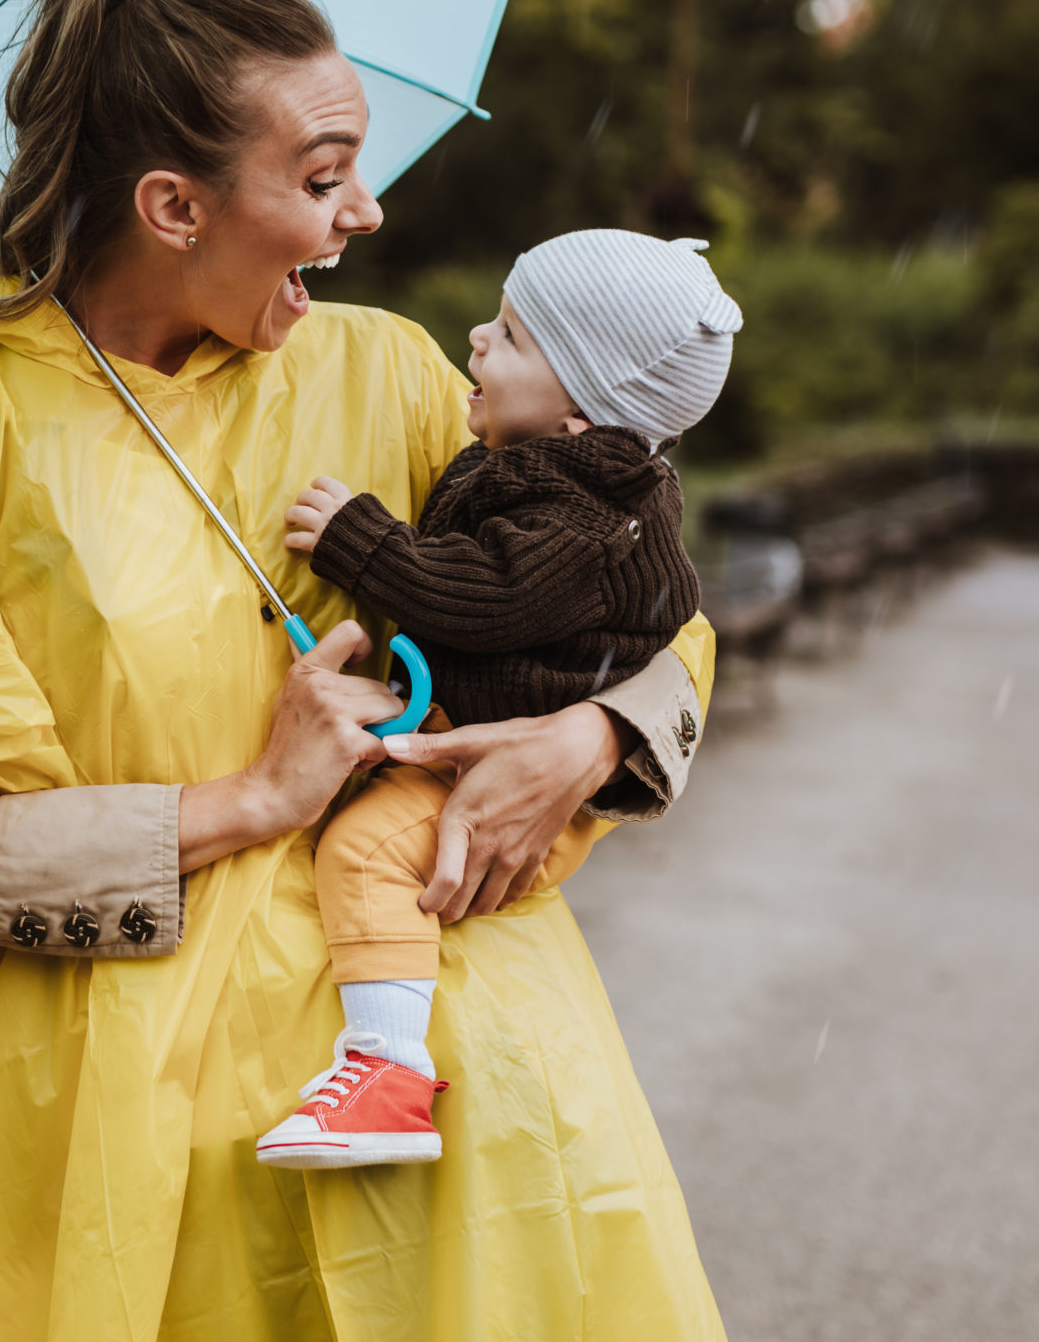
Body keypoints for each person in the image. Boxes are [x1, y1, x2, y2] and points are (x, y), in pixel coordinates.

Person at [0, 0, 730, 1342]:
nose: (371, 207)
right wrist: (251, 802)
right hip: (113, 1139)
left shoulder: (390, 370)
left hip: (444, 1114)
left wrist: (590, 738)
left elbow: (649, 604)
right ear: (174, 203)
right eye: (324, 173)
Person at [254, 230, 741, 1169]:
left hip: (481, 779)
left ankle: (388, 1074)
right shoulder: (537, 461)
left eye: (513, 337)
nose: (477, 338)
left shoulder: (584, 520)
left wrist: (365, 543)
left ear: (581, 415)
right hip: (461, 739)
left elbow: (480, 592)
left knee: (364, 856)